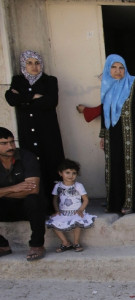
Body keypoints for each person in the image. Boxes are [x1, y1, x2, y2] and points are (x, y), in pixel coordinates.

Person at [4, 50, 65, 209]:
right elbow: (11, 99)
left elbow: (50, 102)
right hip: (28, 132)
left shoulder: (50, 81)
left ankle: (56, 206)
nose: (34, 66)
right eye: (29, 63)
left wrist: (22, 99)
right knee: (31, 165)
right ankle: (38, 205)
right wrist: (33, 97)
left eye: (37, 63)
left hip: (47, 132)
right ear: (24, 64)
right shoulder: (18, 80)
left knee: (51, 163)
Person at [99, 54, 135, 215]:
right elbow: (104, 111)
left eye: (121, 67)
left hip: (134, 135)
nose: (117, 71)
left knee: (133, 167)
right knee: (115, 167)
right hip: (113, 136)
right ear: (108, 69)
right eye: (114, 67)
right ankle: (115, 203)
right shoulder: (106, 85)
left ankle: (133, 203)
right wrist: (103, 135)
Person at [0, 127, 47, 261]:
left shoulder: (27, 157)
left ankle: (37, 245)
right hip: (4, 208)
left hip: (28, 208)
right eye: (4, 143)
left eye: (12, 142)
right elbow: (19, 190)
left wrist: (2, 192)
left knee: (33, 199)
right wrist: (13, 188)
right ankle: (2, 245)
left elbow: (32, 190)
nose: (10, 146)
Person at [46, 159, 96, 253]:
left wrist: (81, 210)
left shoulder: (78, 186)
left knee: (77, 224)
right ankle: (65, 242)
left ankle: (76, 243)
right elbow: (55, 199)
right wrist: (57, 210)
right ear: (60, 173)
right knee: (53, 223)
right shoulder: (58, 186)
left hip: (76, 211)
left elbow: (85, 199)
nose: (71, 176)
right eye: (67, 172)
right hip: (63, 212)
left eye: (74, 173)